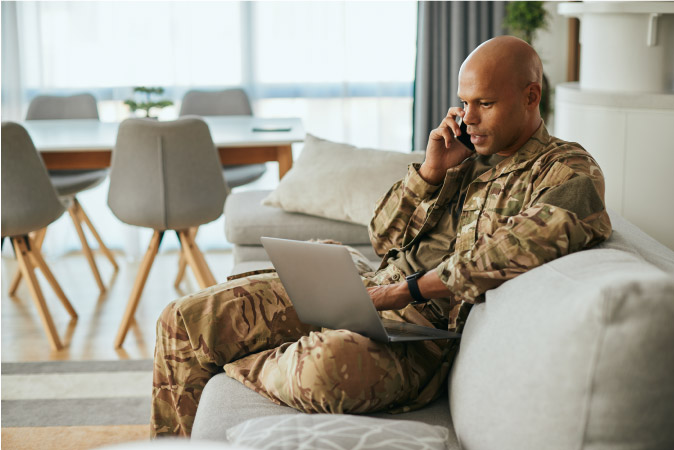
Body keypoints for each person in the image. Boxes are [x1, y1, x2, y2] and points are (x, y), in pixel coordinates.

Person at [151, 35, 612, 437]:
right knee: (181, 321)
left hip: (421, 333)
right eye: (463, 101)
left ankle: (231, 356)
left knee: (323, 370)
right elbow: (380, 237)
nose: (467, 117)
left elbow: (510, 249)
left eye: (484, 104)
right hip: (366, 284)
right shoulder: (462, 156)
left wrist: (404, 291)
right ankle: (229, 353)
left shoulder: (568, 172)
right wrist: (430, 173)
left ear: (531, 96)